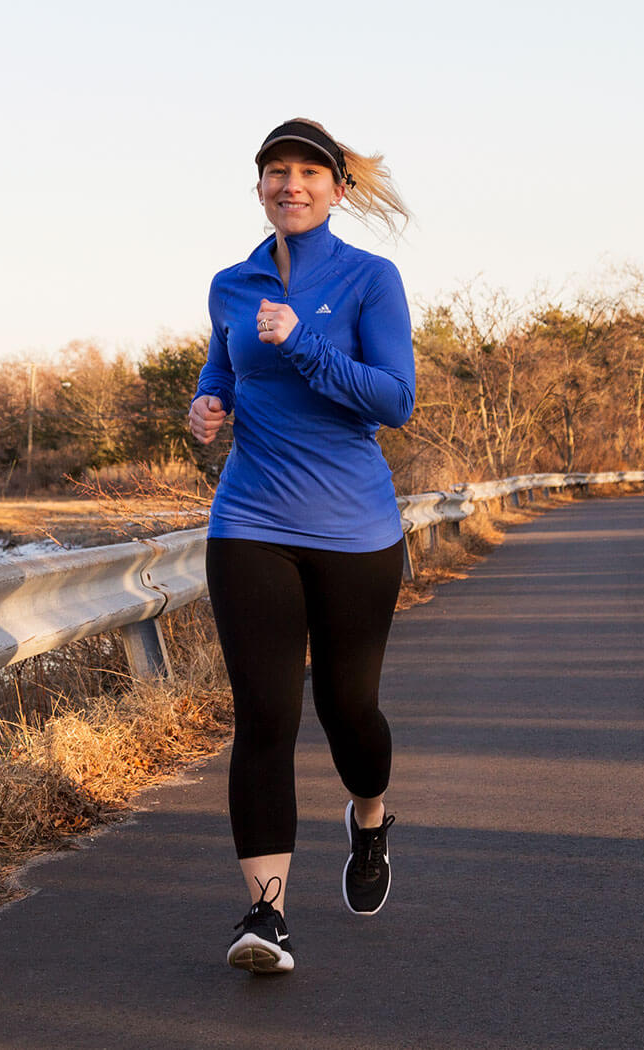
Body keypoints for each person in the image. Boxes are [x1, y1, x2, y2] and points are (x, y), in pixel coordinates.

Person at [188, 118, 414, 975]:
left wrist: (307, 344)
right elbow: (222, 372)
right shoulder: (230, 284)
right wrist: (207, 409)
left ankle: (369, 818)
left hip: (355, 532)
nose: (292, 184)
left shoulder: (370, 279)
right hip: (249, 523)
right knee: (266, 715)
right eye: (276, 172)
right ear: (260, 189)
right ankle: (265, 916)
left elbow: (394, 401)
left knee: (348, 712)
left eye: (309, 173)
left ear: (338, 190)